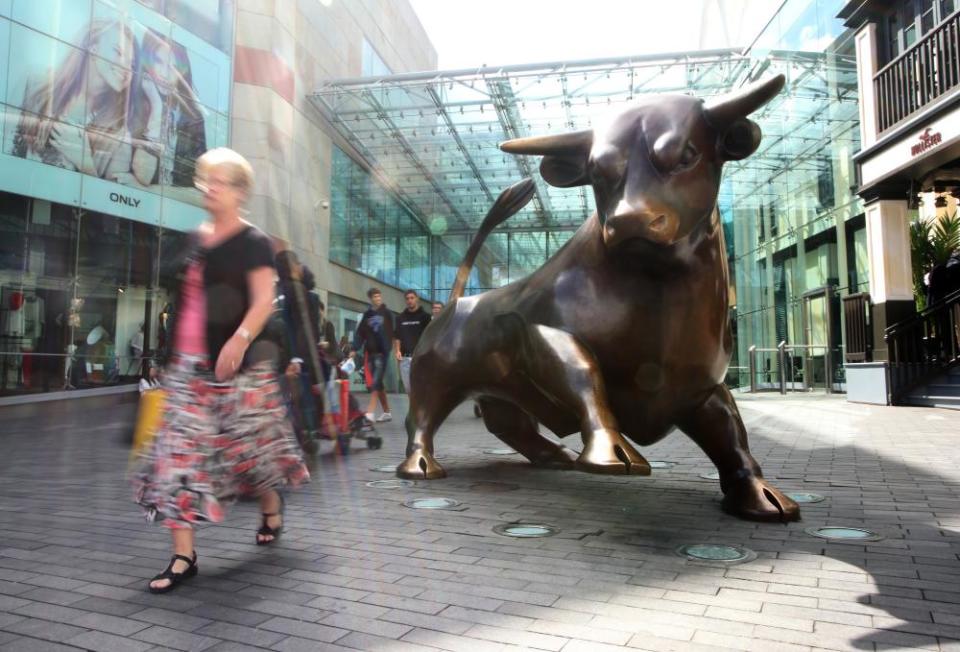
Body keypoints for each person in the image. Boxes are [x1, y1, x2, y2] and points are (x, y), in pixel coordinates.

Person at [131, 148, 308, 594]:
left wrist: (240, 338)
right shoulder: (192, 239)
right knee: (176, 459)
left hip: (238, 369)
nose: (210, 187)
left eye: (221, 181)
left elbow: (264, 299)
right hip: (188, 371)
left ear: (241, 191)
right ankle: (183, 556)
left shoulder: (252, 241)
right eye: (206, 179)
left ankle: (270, 506)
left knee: (251, 455)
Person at [12, 19, 156, 186]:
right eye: (118, 52)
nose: (126, 68)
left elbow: (110, 204)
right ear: (93, 48)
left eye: (131, 64)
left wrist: (85, 163)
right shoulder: (34, 84)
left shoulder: (119, 137)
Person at [134, 28, 207, 187]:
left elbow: (197, 187)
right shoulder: (133, 103)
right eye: (159, 62)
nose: (165, 74)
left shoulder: (192, 119)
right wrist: (156, 108)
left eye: (173, 68)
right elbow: (141, 177)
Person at [275, 251, 325, 448]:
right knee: (301, 398)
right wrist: (297, 358)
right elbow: (299, 326)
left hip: (277, 354)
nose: (300, 266)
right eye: (297, 263)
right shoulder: (297, 290)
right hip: (295, 355)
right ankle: (307, 434)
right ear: (292, 266)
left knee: (282, 397)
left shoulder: (276, 289)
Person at [350, 288, 395, 422]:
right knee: (378, 382)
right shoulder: (367, 315)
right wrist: (354, 349)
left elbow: (391, 333)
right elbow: (360, 334)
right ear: (371, 299)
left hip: (382, 353)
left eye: (379, 296)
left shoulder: (387, 314)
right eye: (375, 296)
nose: (378, 298)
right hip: (370, 353)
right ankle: (387, 412)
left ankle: (370, 412)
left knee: (375, 381)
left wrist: (386, 349)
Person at [396, 290, 431, 393]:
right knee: (408, 389)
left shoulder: (425, 317)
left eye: (412, 298)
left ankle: (420, 409)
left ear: (417, 299)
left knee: (420, 387)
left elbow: (429, 336)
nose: (410, 300)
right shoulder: (400, 318)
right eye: (407, 299)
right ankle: (413, 409)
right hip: (405, 359)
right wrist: (397, 350)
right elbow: (397, 336)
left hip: (420, 358)